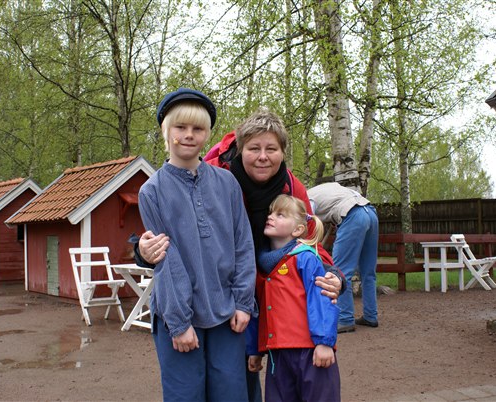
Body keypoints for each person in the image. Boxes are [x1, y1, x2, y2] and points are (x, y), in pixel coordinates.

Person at [138, 109, 344, 402]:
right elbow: (159, 237)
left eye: (271, 149)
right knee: (201, 384)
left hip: (253, 296)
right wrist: (142, 252)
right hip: (218, 292)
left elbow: (308, 240)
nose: (263, 157)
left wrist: (334, 275)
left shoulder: (290, 188)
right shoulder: (212, 174)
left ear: (282, 153)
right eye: (254, 148)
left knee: (236, 385)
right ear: (239, 149)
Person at [138, 88, 256, 401]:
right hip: (180, 316)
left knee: (231, 394)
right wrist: (178, 323)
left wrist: (243, 302)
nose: (189, 135)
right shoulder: (152, 191)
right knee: (185, 395)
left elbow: (243, 244)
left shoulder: (226, 183)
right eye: (181, 127)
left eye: (198, 128)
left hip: (227, 313)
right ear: (166, 131)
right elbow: (167, 259)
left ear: (207, 134)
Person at [248, 195, 340, 402]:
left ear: (298, 230)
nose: (271, 217)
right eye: (271, 212)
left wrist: (324, 342)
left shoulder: (306, 258)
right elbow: (257, 308)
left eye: (280, 214)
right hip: (277, 354)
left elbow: (322, 298)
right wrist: (255, 349)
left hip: (310, 350)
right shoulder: (263, 266)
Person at [308, 182, 379, 333]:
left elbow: (310, 225)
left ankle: (345, 319)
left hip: (352, 215)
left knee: (340, 272)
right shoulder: (328, 187)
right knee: (368, 272)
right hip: (370, 212)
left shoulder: (306, 199)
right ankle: (371, 316)